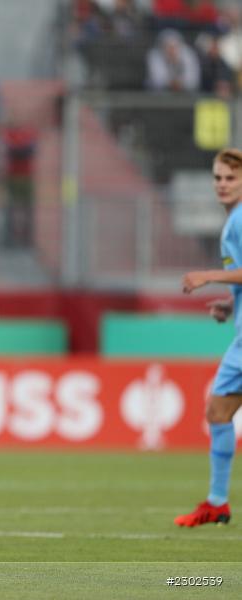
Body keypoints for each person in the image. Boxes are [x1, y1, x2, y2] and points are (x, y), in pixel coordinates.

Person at [176, 147, 242, 527]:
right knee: (217, 412)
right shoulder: (232, 221)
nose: (222, 184)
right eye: (217, 177)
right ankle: (217, 502)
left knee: (218, 412)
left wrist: (208, 276)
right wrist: (231, 304)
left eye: (230, 178)